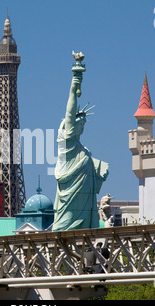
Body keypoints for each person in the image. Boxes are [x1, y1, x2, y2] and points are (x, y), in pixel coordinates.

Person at [52, 66, 109, 231]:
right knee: (65, 239)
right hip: (69, 207)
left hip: (85, 209)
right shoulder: (67, 143)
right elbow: (70, 111)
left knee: (84, 245)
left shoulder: (83, 150)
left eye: (84, 124)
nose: (82, 127)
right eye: (80, 124)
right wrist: (76, 80)